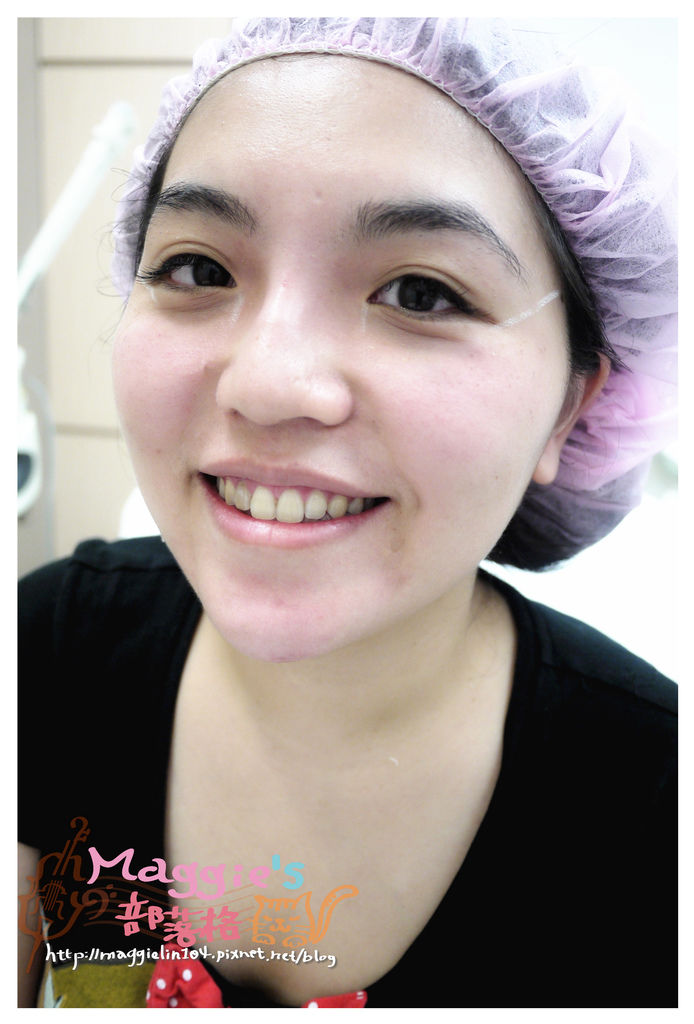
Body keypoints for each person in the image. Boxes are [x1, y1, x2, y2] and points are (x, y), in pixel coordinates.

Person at [18, 17, 677, 1009]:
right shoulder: (50, 649)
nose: (269, 384)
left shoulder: (660, 816)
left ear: (571, 406)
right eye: (199, 269)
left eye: (420, 291)